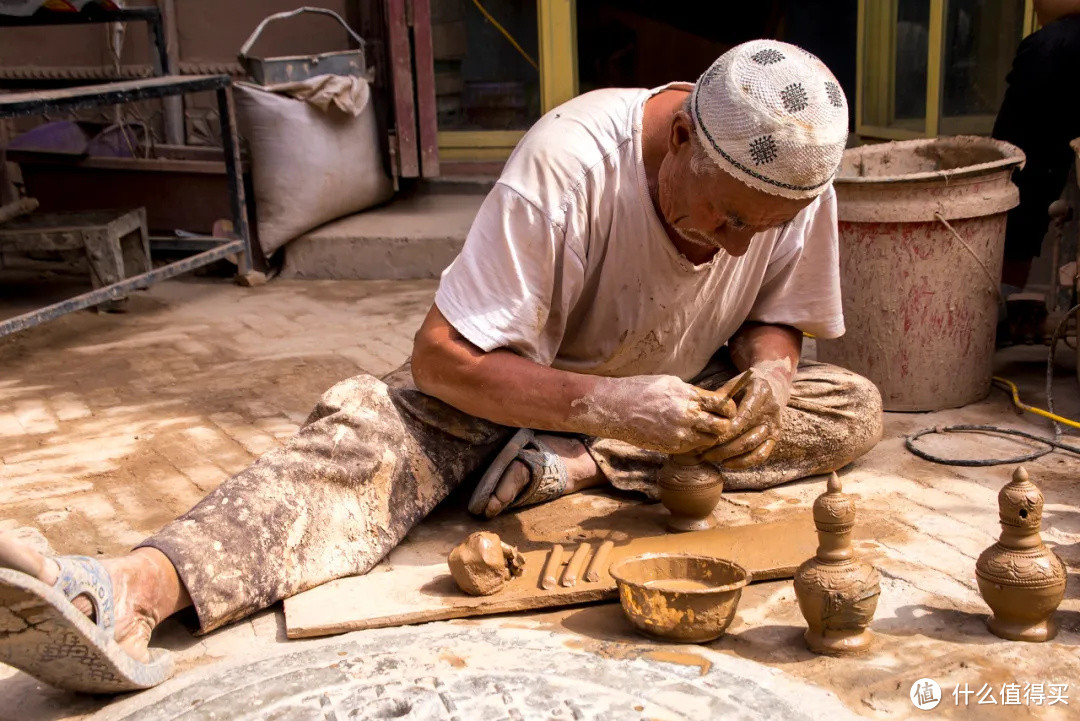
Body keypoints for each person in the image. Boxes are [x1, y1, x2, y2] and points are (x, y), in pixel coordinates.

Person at [0, 39, 882, 694]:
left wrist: (768, 375)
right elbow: (442, 359)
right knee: (365, 437)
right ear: (684, 132)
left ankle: (570, 466)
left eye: (757, 230)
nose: (736, 243)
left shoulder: (787, 187)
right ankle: (122, 589)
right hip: (508, 390)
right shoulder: (570, 160)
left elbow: (775, 318)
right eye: (727, 219)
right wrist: (606, 402)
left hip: (659, 405)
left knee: (848, 406)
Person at [993, 0, 1080, 293]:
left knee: (1018, 206)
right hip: (1050, 160)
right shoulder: (1053, 42)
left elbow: (1018, 135)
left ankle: (1003, 305)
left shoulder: (1050, 44)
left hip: (1032, 166)